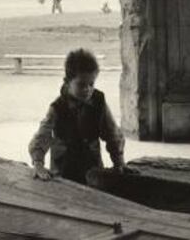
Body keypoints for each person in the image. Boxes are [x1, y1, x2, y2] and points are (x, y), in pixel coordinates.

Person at [28, 48, 125, 185]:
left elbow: (112, 132)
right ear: (67, 82)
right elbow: (43, 135)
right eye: (81, 85)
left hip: (92, 165)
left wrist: (118, 161)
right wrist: (38, 163)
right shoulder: (57, 107)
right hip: (63, 169)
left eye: (91, 84)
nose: (87, 89)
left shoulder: (99, 101)